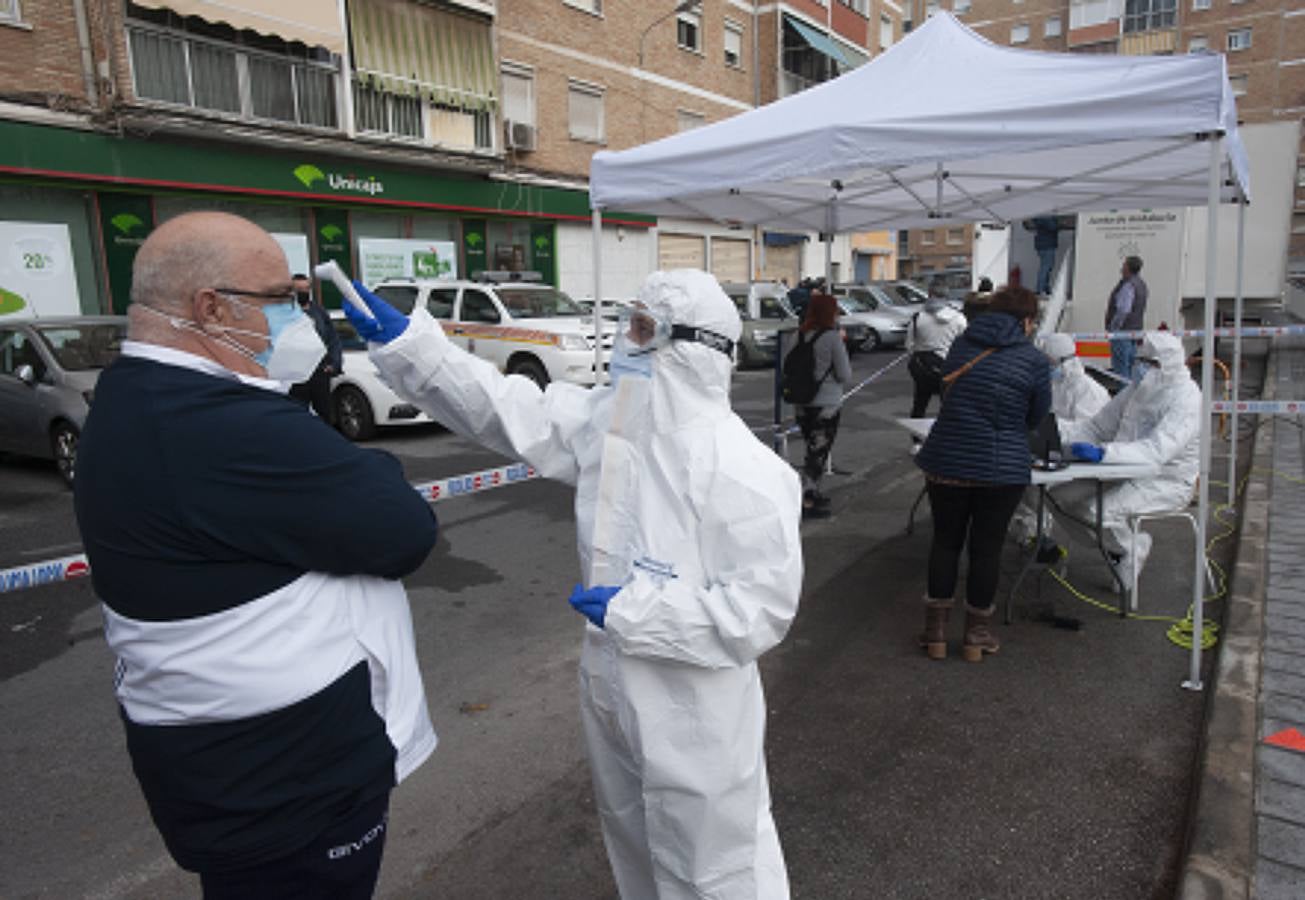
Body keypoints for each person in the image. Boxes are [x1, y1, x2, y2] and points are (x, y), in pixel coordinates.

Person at [345, 268, 803, 899]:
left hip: (695, 705)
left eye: (642, 328)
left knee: (717, 862)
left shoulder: (748, 472)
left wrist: (637, 612)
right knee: (633, 840)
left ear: (692, 347)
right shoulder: (610, 431)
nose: (624, 342)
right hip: (611, 681)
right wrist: (415, 351)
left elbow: (758, 615)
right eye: (627, 322)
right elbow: (508, 409)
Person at [73, 212, 440, 898]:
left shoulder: (148, 397)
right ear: (210, 309)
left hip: (242, 774)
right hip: (288, 787)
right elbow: (403, 529)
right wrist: (372, 471)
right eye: (282, 300)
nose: (298, 316)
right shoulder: (213, 423)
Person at [914, 285, 1051, 662]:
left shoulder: (961, 345)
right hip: (1002, 467)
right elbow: (1036, 417)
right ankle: (976, 637)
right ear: (1025, 321)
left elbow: (949, 393)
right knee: (986, 549)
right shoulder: (1034, 360)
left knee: (945, 542)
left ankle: (935, 633)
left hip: (947, 459)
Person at [1054, 330, 1200, 583]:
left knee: (1094, 510)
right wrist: (1058, 434)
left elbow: (1157, 451)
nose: (1140, 367)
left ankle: (1131, 548)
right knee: (1059, 496)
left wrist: (1105, 453)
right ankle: (1119, 548)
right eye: (1140, 360)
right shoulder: (1136, 390)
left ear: (1167, 366)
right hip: (1120, 468)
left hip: (1165, 479)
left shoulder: (1186, 399)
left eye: (1149, 363)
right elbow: (1097, 427)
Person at [789, 290, 853, 519]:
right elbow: (845, 374)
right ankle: (807, 499)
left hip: (801, 401)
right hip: (826, 403)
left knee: (811, 448)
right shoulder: (831, 338)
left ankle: (812, 491)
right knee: (818, 452)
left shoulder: (798, 335)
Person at [905, 288, 967, 427]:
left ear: (929, 295)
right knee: (948, 405)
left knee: (920, 404)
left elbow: (909, 345)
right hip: (950, 366)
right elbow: (964, 344)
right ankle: (946, 438)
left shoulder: (917, 318)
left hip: (922, 367)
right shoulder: (959, 318)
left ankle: (917, 441)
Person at [288, 273, 344, 424]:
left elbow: (333, 339)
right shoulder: (285, 314)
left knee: (325, 414)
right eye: (299, 289)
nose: (303, 292)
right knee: (297, 416)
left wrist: (334, 364)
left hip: (319, 372)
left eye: (306, 288)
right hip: (296, 375)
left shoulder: (319, 312)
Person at [1042, 332, 1109, 424]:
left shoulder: (1089, 391)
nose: (1048, 366)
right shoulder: (1057, 384)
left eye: (1051, 362)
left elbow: (1085, 431)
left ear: (1065, 362)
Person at [1106, 255, 1148, 379]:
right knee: (1131, 368)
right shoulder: (1141, 285)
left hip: (1122, 333)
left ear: (1128, 268)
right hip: (1134, 333)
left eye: (1124, 265)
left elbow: (1123, 310)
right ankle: (1132, 396)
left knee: (1121, 372)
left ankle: (1124, 397)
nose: (1122, 268)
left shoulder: (1128, 285)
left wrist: (1114, 327)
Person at [1024, 216, 1066, 295]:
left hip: (1043, 244)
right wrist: (1061, 224)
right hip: (1047, 244)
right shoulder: (1045, 215)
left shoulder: (1039, 215)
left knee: (1046, 267)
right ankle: (1040, 289)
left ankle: (1044, 288)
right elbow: (1052, 226)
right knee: (1046, 267)